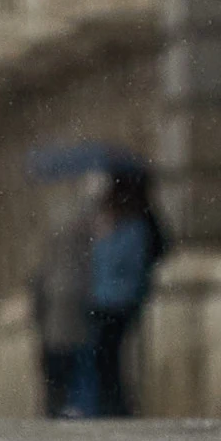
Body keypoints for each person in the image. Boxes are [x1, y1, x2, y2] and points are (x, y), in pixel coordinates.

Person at [83, 168, 168, 417]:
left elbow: (125, 264)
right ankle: (111, 405)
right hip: (106, 300)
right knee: (105, 357)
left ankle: (116, 406)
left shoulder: (133, 227)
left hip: (118, 301)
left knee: (109, 357)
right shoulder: (116, 225)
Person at [30, 186, 96, 417]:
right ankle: (70, 407)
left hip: (55, 327)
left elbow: (39, 286)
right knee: (73, 369)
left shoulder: (54, 261)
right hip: (72, 323)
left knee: (56, 373)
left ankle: (57, 408)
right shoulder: (83, 252)